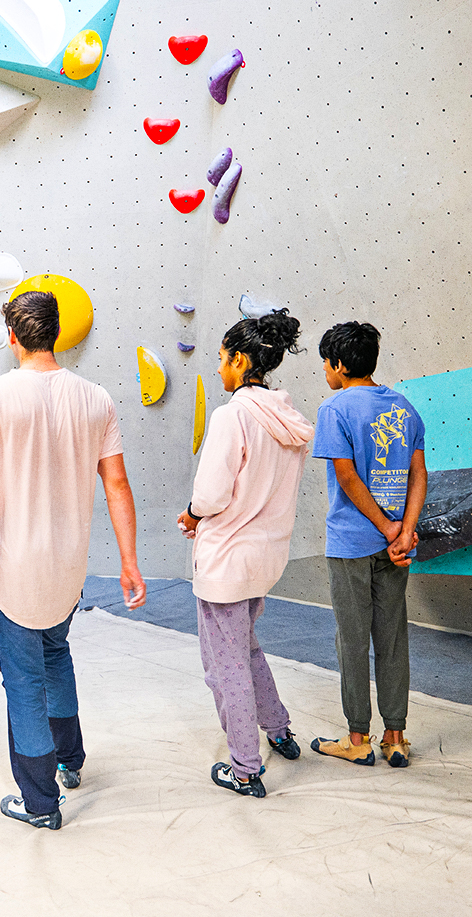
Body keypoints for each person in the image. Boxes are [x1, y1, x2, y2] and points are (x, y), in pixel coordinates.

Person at [0, 291, 146, 830]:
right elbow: (117, 483)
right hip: (68, 568)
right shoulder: (96, 398)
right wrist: (129, 561)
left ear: (12, 336)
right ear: (56, 333)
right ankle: (70, 759)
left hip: (13, 570)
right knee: (56, 655)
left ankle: (39, 803)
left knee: (23, 681)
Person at [177, 310, 315, 798]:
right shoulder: (288, 419)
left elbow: (212, 494)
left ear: (240, 360)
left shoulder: (232, 415)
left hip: (227, 561)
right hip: (265, 559)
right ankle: (278, 730)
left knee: (225, 665)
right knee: (247, 648)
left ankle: (244, 767)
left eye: (221, 358)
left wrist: (192, 514)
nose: (218, 368)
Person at [309, 321, 427, 767]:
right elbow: (418, 474)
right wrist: (404, 530)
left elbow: (346, 476)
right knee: (392, 638)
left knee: (353, 640)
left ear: (340, 364)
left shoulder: (334, 408)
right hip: (397, 547)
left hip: (351, 542)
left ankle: (358, 738)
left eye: (326, 363)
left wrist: (385, 527)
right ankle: (395, 737)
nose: (325, 371)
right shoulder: (404, 407)